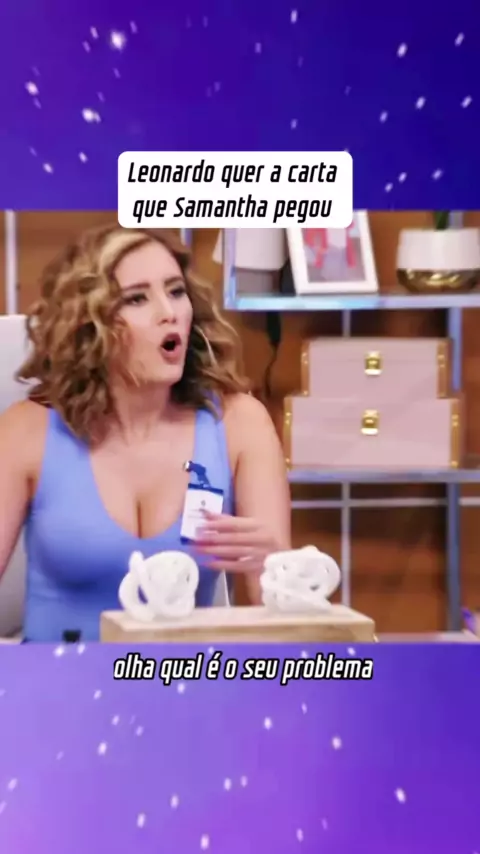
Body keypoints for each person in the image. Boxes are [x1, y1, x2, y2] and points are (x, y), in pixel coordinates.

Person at [0, 226, 291, 642]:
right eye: (137, 298)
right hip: (58, 677)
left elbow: (282, 620)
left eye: (176, 291)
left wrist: (275, 569)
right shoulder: (25, 432)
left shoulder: (240, 424)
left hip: (180, 676)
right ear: (91, 324)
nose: (169, 312)